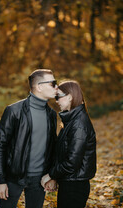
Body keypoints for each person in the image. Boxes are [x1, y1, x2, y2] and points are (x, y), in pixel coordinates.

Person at [0, 69, 57, 208]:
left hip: (39, 180)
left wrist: (52, 176)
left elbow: (52, 147)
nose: (56, 87)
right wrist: (0, 180)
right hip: (13, 177)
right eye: (53, 83)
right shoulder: (14, 111)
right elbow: (0, 145)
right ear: (39, 86)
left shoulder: (51, 114)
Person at [41, 80, 97, 208]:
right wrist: (55, 178)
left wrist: (50, 175)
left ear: (70, 97)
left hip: (75, 186)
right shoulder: (71, 120)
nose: (56, 100)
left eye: (58, 96)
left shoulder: (79, 124)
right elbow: (62, 153)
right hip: (69, 182)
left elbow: (71, 163)